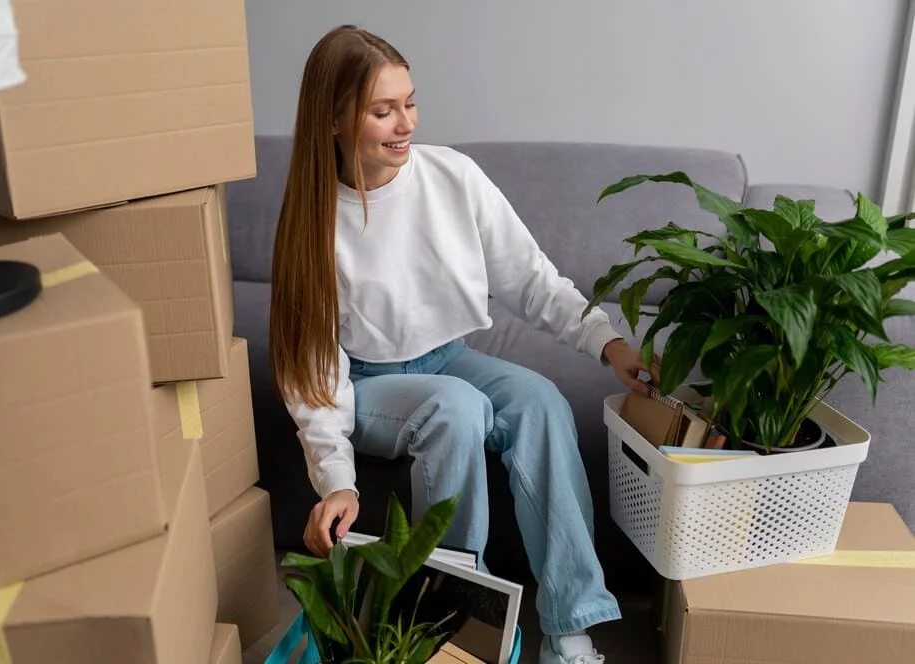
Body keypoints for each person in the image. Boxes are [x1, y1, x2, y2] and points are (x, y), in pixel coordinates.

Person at [269, 25, 659, 664]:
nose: (405, 124)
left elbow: (531, 278)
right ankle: (452, 626)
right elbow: (314, 375)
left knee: (540, 401)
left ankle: (570, 629)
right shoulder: (313, 224)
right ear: (334, 120)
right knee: (456, 407)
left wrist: (607, 342)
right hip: (365, 382)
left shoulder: (453, 176)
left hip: (447, 357)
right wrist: (337, 481)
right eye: (382, 110)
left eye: (410, 102)